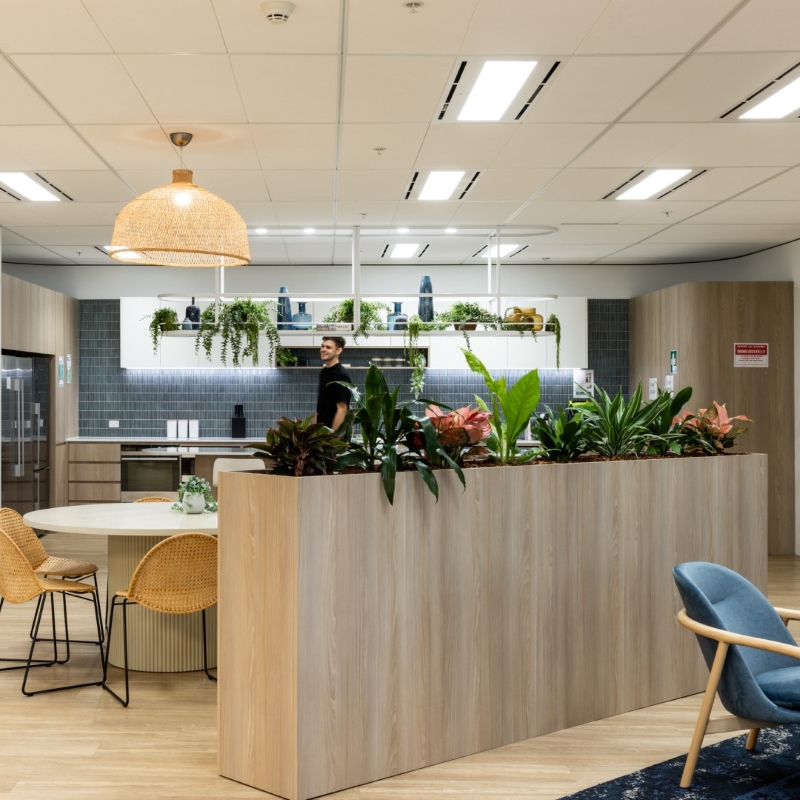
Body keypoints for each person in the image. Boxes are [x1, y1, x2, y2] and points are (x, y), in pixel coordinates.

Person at [316, 336, 351, 431]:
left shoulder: (341, 375)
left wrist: (333, 436)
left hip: (333, 436)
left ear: (338, 350)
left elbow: (342, 409)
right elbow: (321, 405)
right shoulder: (324, 372)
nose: (323, 349)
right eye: (322, 346)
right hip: (322, 433)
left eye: (328, 347)